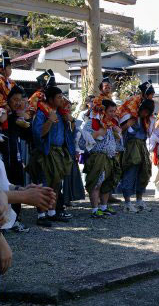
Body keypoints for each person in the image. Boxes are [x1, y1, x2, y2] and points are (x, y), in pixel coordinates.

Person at [28, 86, 76, 226]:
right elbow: (38, 134)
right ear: (50, 99)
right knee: (45, 184)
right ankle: (41, 215)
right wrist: (49, 120)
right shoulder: (42, 113)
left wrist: (71, 121)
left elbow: (70, 133)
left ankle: (52, 212)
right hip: (46, 152)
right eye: (59, 97)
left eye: (62, 96)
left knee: (56, 184)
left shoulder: (62, 113)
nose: (62, 99)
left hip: (59, 152)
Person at [82, 99, 123, 218]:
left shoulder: (110, 124)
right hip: (98, 157)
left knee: (107, 183)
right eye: (110, 111)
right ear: (103, 110)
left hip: (110, 157)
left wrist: (118, 134)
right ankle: (95, 209)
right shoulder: (92, 123)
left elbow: (115, 141)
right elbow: (83, 141)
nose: (113, 113)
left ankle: (104, 207)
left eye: (114, 111)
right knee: (96, 183)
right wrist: (99, 132)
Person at [1, 85, 32, 232]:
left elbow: (30, 137)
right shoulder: (4, 116)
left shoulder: (19, 118)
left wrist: (27, 123)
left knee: (18, 186)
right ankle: (5, 222)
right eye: (14, 99)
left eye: (20, 100)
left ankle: (16, 220)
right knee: (5, 188)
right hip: (4, 159)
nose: (18, 103)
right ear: (8, 100)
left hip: (16, 159)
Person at [118, 99, 155, 213]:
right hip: (131, 147)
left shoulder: (146, 120)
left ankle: (139, 200)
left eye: (148, 112)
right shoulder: (129, 116)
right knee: (130, 172)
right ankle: (127, 203)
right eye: (144, 111)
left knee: (144, 172)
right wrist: (127, 125)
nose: (145, 114)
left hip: (142, 147)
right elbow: (120, 130)